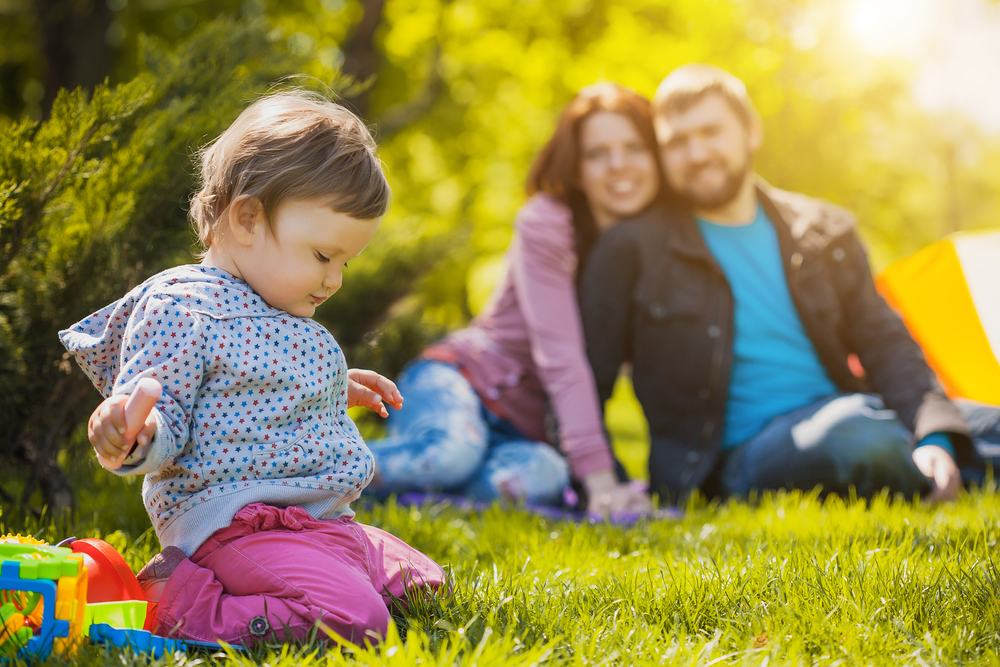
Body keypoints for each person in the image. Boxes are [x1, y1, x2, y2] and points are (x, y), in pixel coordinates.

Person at [59, 91, 445, 647]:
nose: (334, 279)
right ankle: (179, 603)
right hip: (239, 524)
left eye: (345, 262)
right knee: (359, 623)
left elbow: (255, 393)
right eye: (322, 255)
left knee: (426, 589)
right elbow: (159, 410)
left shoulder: (276, 302)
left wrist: (335, 387)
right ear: (247, 218)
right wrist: (133, 430)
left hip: (319, 523)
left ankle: (318, 578)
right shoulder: (184, 306)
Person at [581, 64, 985, 504]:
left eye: (711, 132)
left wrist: (937, 438)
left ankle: (932, 461)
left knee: (973, 424)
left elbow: (885, 342)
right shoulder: (630, 249)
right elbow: (587, 381)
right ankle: (937, 463)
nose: (696, 153)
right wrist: (611, 484)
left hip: (853, 409)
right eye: (676, 142)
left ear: (751, 131)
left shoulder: (826, 230)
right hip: (737, 460)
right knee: (855, 434)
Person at [366, 83, 659, 516]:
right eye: (597, 153)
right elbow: (560, 355)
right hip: (462, 380)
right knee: (450, 454)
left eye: (634, 147)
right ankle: (289, 469)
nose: (618, 166)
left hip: (523, 433)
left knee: (538, 480)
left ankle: (418, 496)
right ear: (577, 168)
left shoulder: (661, 244)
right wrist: (600, 483)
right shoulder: (548, 221)